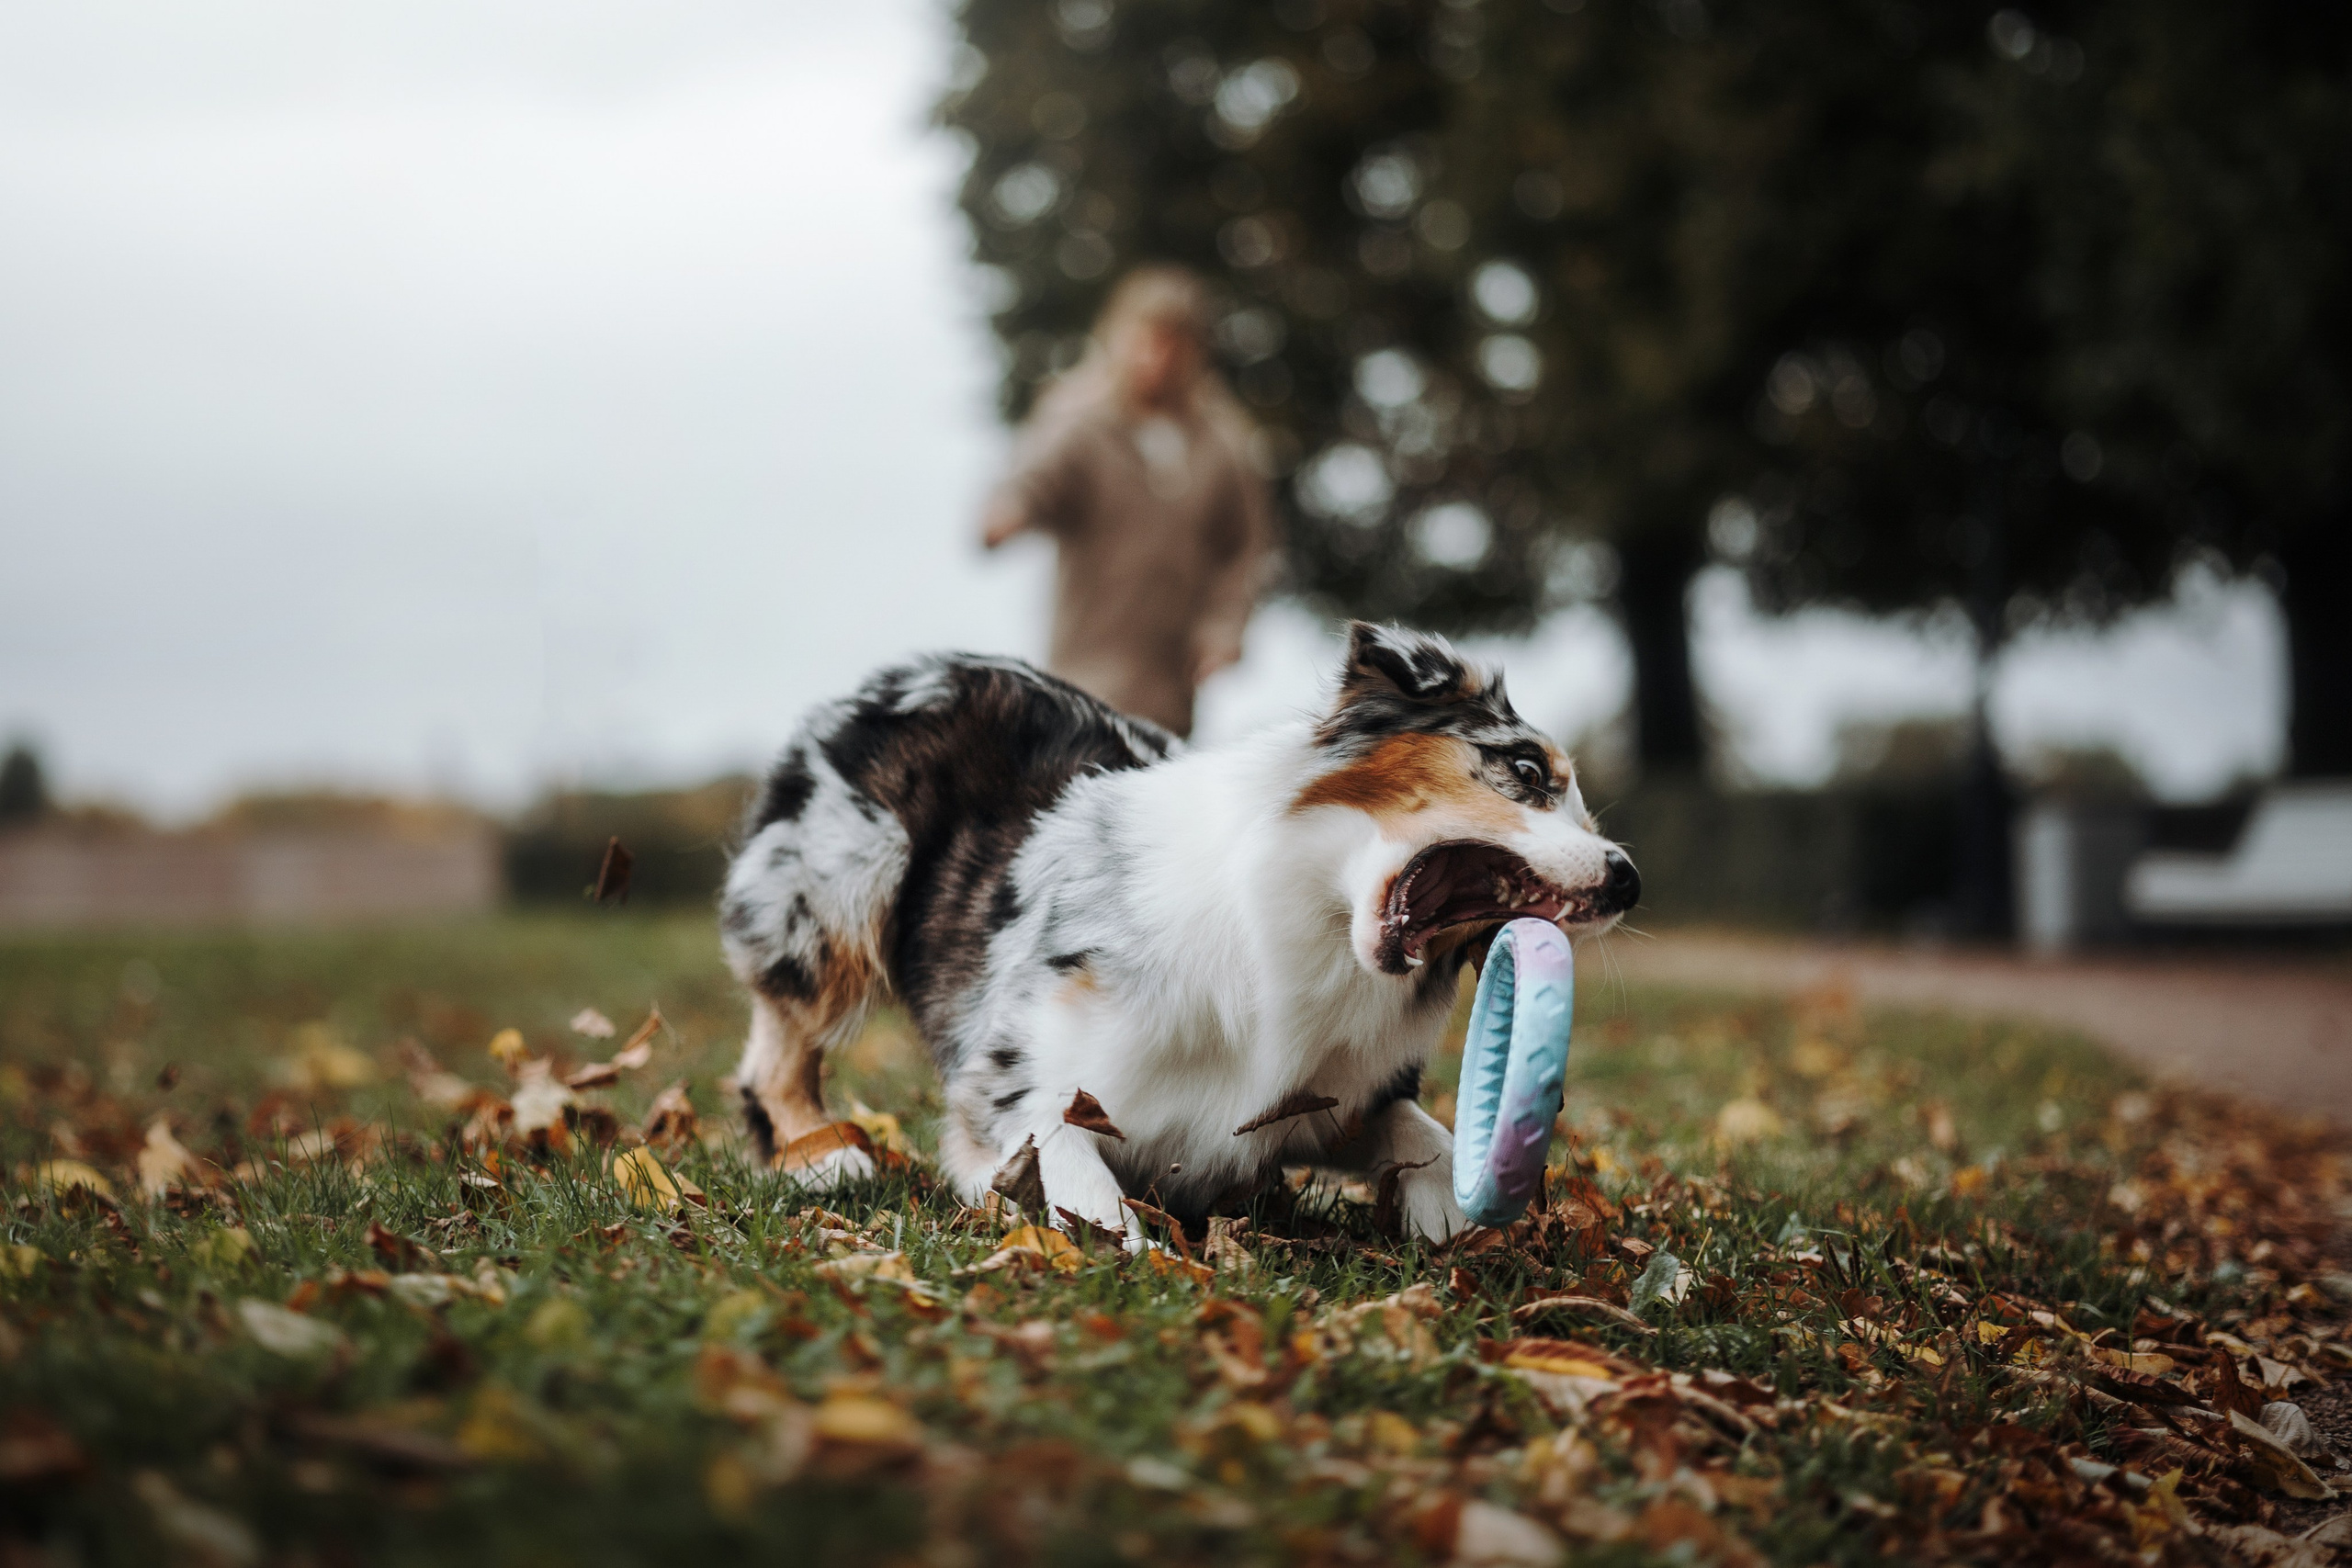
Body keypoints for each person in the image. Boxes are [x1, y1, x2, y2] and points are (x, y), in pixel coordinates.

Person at [980, 266, 1275, 739]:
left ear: (1195, 353)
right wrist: (1009, 512)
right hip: (1082, 676)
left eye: (1170, 347)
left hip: (1170, 688)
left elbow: (1245, 548)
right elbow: (1037, 478)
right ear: (1115, 338)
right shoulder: (1082, 420)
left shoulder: (1224, 445)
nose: (1154, 360)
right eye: (1143, 342)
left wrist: (1224, 629)